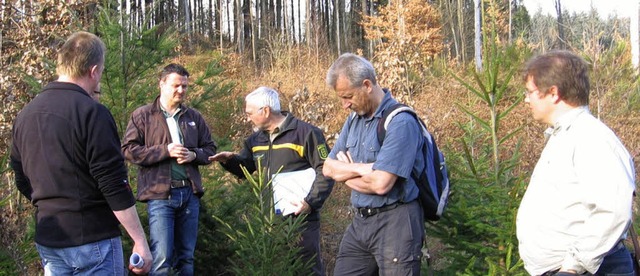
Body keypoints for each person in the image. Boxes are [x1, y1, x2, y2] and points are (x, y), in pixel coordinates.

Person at [9, 31, 152, 275]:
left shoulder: (25, 115)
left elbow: (21, 177)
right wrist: (139, 240)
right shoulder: (92, 113)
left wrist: (50, 203)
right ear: (94, 70)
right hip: (92, 238)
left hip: (50, 237)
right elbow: (113, 183)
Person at [516, 50, 636, 276]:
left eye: (530, 92)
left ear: (553, 93)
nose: (526, 99)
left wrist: (572, 267)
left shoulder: (590, 138)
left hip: (590, 271)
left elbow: (613, 210)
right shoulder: (565, 136)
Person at [209, 86, 335, 275]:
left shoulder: (306, 133)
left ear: (265, 111)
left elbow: (326, 170)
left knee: (307, 270)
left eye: (250, 113)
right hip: (270, 221)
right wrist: (229, 161)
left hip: (301, 220)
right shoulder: (255, 140)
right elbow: (246, 168)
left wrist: (310, 203)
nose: (248, 117)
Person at [322, 53, 425, 275]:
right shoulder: (353, 120)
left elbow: (381, 184)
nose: (344, 105)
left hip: (396, 222)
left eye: (348, 96)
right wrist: (363, 169)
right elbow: (328, 167)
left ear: (367, 85)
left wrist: (345, 172)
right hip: (360, 222)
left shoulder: (401, 121)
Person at [122, 63, 217, 275]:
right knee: (161, 258)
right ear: (162, 84)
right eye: (176, 85)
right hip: (160, 196)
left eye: (184, 86)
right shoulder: (143, 116)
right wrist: (164, 150)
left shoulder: (193, 117)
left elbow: (210, 150)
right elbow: (129, 150)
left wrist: (194, 155)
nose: (181, 91)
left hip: (189, 194)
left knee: (187, 258)